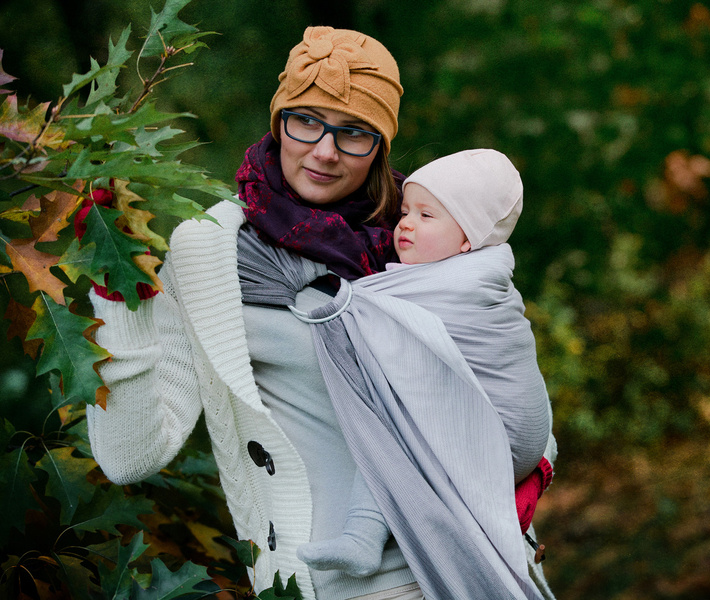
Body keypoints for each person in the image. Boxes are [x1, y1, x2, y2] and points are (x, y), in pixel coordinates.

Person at [82, 25, 555, 600]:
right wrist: (117, 293)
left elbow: (505, 383)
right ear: (278, 120)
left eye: (354, 133)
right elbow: (132, 455)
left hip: (476, 561)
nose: (325, 150)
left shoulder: (425, 234)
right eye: (305, 120)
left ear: (380, 144)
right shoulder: (210, 251)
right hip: (344, 585)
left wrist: (529, 472)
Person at [295, 149, 554, 583]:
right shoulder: (479, 273)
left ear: (468, 238)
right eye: (404, 212)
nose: (406, 225)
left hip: (501, 438)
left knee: (391, 429)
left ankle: (362, 536)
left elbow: (359, 307)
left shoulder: (457, 284)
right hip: (530, 436)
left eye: (427, 215)